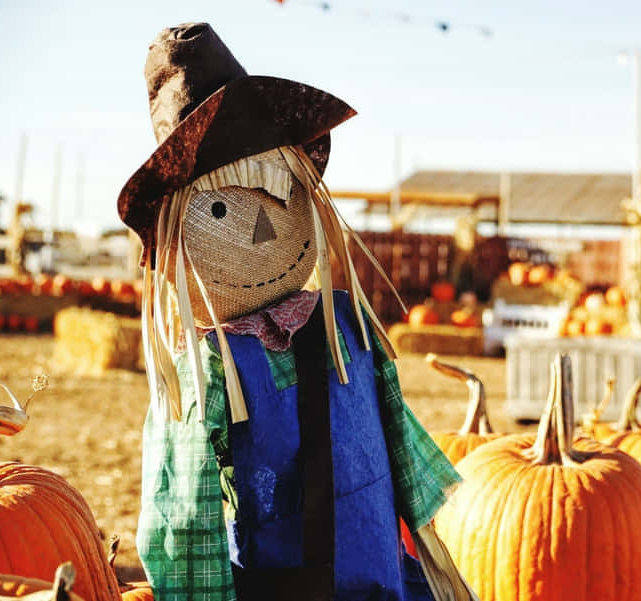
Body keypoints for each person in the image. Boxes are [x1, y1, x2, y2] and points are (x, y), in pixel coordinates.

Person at [117, 23, 475, 601]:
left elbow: (402, 453)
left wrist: (434, 549)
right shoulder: (212, 369)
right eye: (220, 206)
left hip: (384, 575)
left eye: (281, 191)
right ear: (175, 228)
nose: (263, 223)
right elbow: (186, 515)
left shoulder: (347, 327)